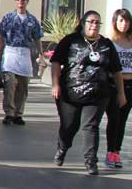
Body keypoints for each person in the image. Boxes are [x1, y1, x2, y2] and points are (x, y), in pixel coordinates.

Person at [50, 10, 123, 175]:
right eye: (91, 22)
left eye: (97, 23)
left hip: (97, 95)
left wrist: (121, 93)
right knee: (69, 126)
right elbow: (55, 62)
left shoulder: (106, 45)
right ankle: (63, 147)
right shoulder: (70, 40)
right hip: (70, 94)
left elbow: (117, 70)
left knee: (91, 126)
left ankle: (91, 161)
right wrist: (55, 84)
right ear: (83, 23)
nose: (94, 25)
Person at [0, 0, 42, 126]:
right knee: (10, 84)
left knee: (23, 86)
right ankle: (9, 112)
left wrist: (41, 55)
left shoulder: (32, 20)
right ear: (15, 1)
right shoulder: (8, 18)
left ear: (27, 1)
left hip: (25, 54)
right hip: (11, 53)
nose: (21, 1)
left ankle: (18, 114)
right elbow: (0, 35)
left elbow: (37, 38)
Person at [104, 8, 132, 168]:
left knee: (122, 120)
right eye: (121, 20)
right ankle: (110, 152)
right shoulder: (110, 42)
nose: (124, 24)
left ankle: (116, 152)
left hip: (130, 84)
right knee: (114, 118)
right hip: (113, 85)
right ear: (115, 22)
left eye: (127, 21)